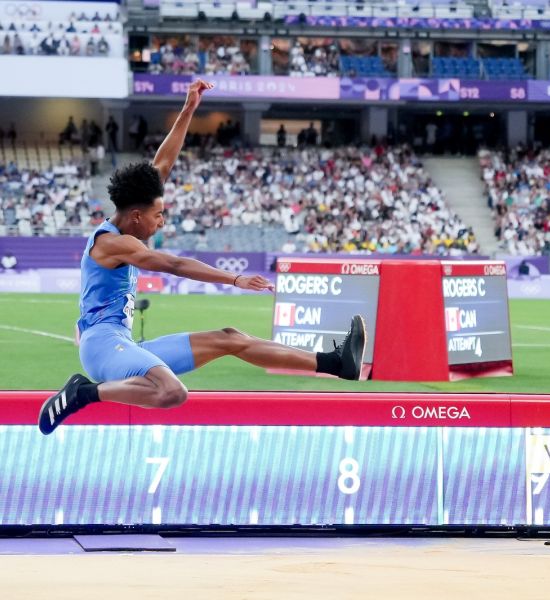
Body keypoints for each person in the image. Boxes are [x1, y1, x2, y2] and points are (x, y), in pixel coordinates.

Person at [38, 80, 367, 436]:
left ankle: (336, 364)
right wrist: (235, 279)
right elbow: (175, 265)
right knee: (171, 392)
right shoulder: (113, 244)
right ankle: (83, 393)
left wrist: (188, 109)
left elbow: (161, 164)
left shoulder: (134, 215)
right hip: (103, 347)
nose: (162, 220)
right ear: (136, 215)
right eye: (158, 215)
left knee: (230, 337)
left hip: (122, 343)